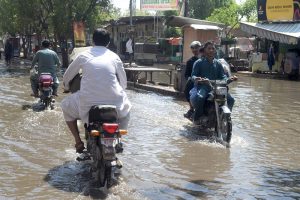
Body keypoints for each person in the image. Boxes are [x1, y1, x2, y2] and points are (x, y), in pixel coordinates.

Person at [61, 28, 132, 153]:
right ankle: (119, 139)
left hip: (88, 106)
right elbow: (124, 84)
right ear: (108, 42)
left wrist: (66, 87)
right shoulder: (115, 57)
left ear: (92, 41)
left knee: (65, 106)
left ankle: (78, 142)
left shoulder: (83, 55)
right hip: (115, 104)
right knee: (128, 108)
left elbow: (67, 76)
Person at [190, 42, 236, 124]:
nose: (211, 50)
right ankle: (197, 118)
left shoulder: (218, 63)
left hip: (217, 87)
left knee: (231, 100)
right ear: (204, 50)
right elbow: (193, 75)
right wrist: (196, 78)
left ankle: (225, 118)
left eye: (213, 48)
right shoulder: (199, 62)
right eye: (209, 48)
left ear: (215, 50)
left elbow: (222, 76)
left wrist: (229, 79)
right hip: (204, 86)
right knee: (200, 97)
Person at [183, 41, 203, 119]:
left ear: (200, 48)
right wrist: (191, 79)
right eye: (193, 48)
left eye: (197, 48)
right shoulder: (190, 61)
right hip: (194, 81)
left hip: (206, 80)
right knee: (186, 90)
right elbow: (186, 74)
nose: (195, 50)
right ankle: (191, 108)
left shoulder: (205, 59)